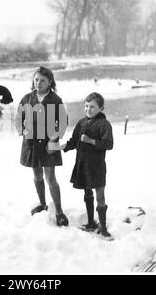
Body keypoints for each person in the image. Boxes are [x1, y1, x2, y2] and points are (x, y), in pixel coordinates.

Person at [15, 66, 69, 226]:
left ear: (50, 82)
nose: (39, 83)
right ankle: (43, 203)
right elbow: (18, 118)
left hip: (48, 145)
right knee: (37, 175)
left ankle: (59, 211)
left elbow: (63, 122)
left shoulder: (55, 100)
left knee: (50, 178)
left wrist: (55, 138)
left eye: (43, 80)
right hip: (31, 144)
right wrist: (22, 131)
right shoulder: (26, 99)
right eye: (36, 79)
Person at [61, 92, 113, 237]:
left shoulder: (104, 124)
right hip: (82, 163)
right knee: (87, 192)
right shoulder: (81, 123)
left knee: (100, 196)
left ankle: (103, 227)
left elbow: (108, 144)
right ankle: (91, 222)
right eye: (86, 106)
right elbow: (74, 141)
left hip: (96, 166)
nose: (88, 109)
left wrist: (90, 140)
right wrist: (61, 148)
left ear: (101, 108)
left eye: (92, 107)